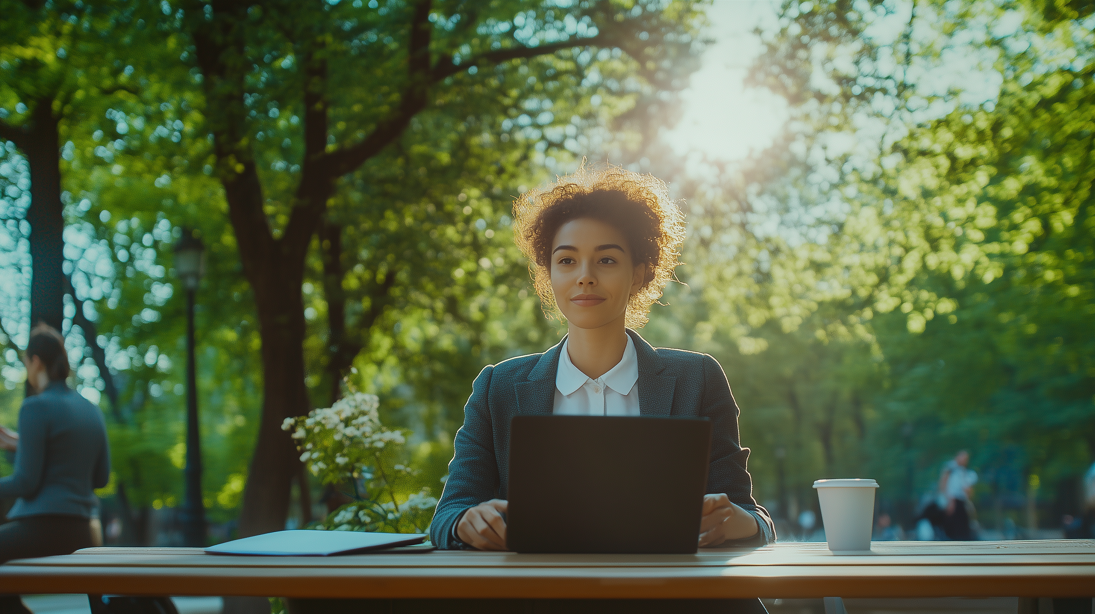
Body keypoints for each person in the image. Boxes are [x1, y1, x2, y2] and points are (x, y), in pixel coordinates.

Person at [429, 166, 774, 613]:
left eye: (607, 259)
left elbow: (757, 522)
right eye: (567, 260)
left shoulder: (698, 379)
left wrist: (734, 522)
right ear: (549, 274)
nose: (585, 276)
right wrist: (465, 524)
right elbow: (446, 517)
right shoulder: (499, 387)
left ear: (640, 273)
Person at [0, 323, 110, 614]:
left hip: (45, 530)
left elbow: (26, 484)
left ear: (35, 361)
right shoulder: (91, 409)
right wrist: (22, 445)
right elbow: (101, 478)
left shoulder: (34, 407)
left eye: (26, 363)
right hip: (88, 532)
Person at [935, 450, 977, 540]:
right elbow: (943, 483)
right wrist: (948, 500)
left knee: (962, 527)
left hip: (960, 501)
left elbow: (967, 490)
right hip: (952, 500)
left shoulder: (963, 471)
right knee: (952, 527)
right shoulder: (951, 468)